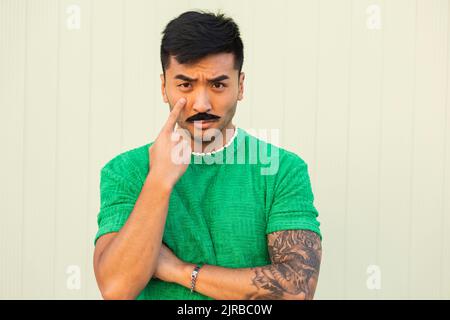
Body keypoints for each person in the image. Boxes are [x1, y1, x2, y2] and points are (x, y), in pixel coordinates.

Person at [93, 10, 322, 300]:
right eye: (185, 85)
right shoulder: (126, 171)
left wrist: (178, 270)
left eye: (218, 84)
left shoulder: (281, 169)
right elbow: (116, 289)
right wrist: (159, 182)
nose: (201, 103)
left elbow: (297, 291)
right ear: (164, 87)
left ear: (240, 86)